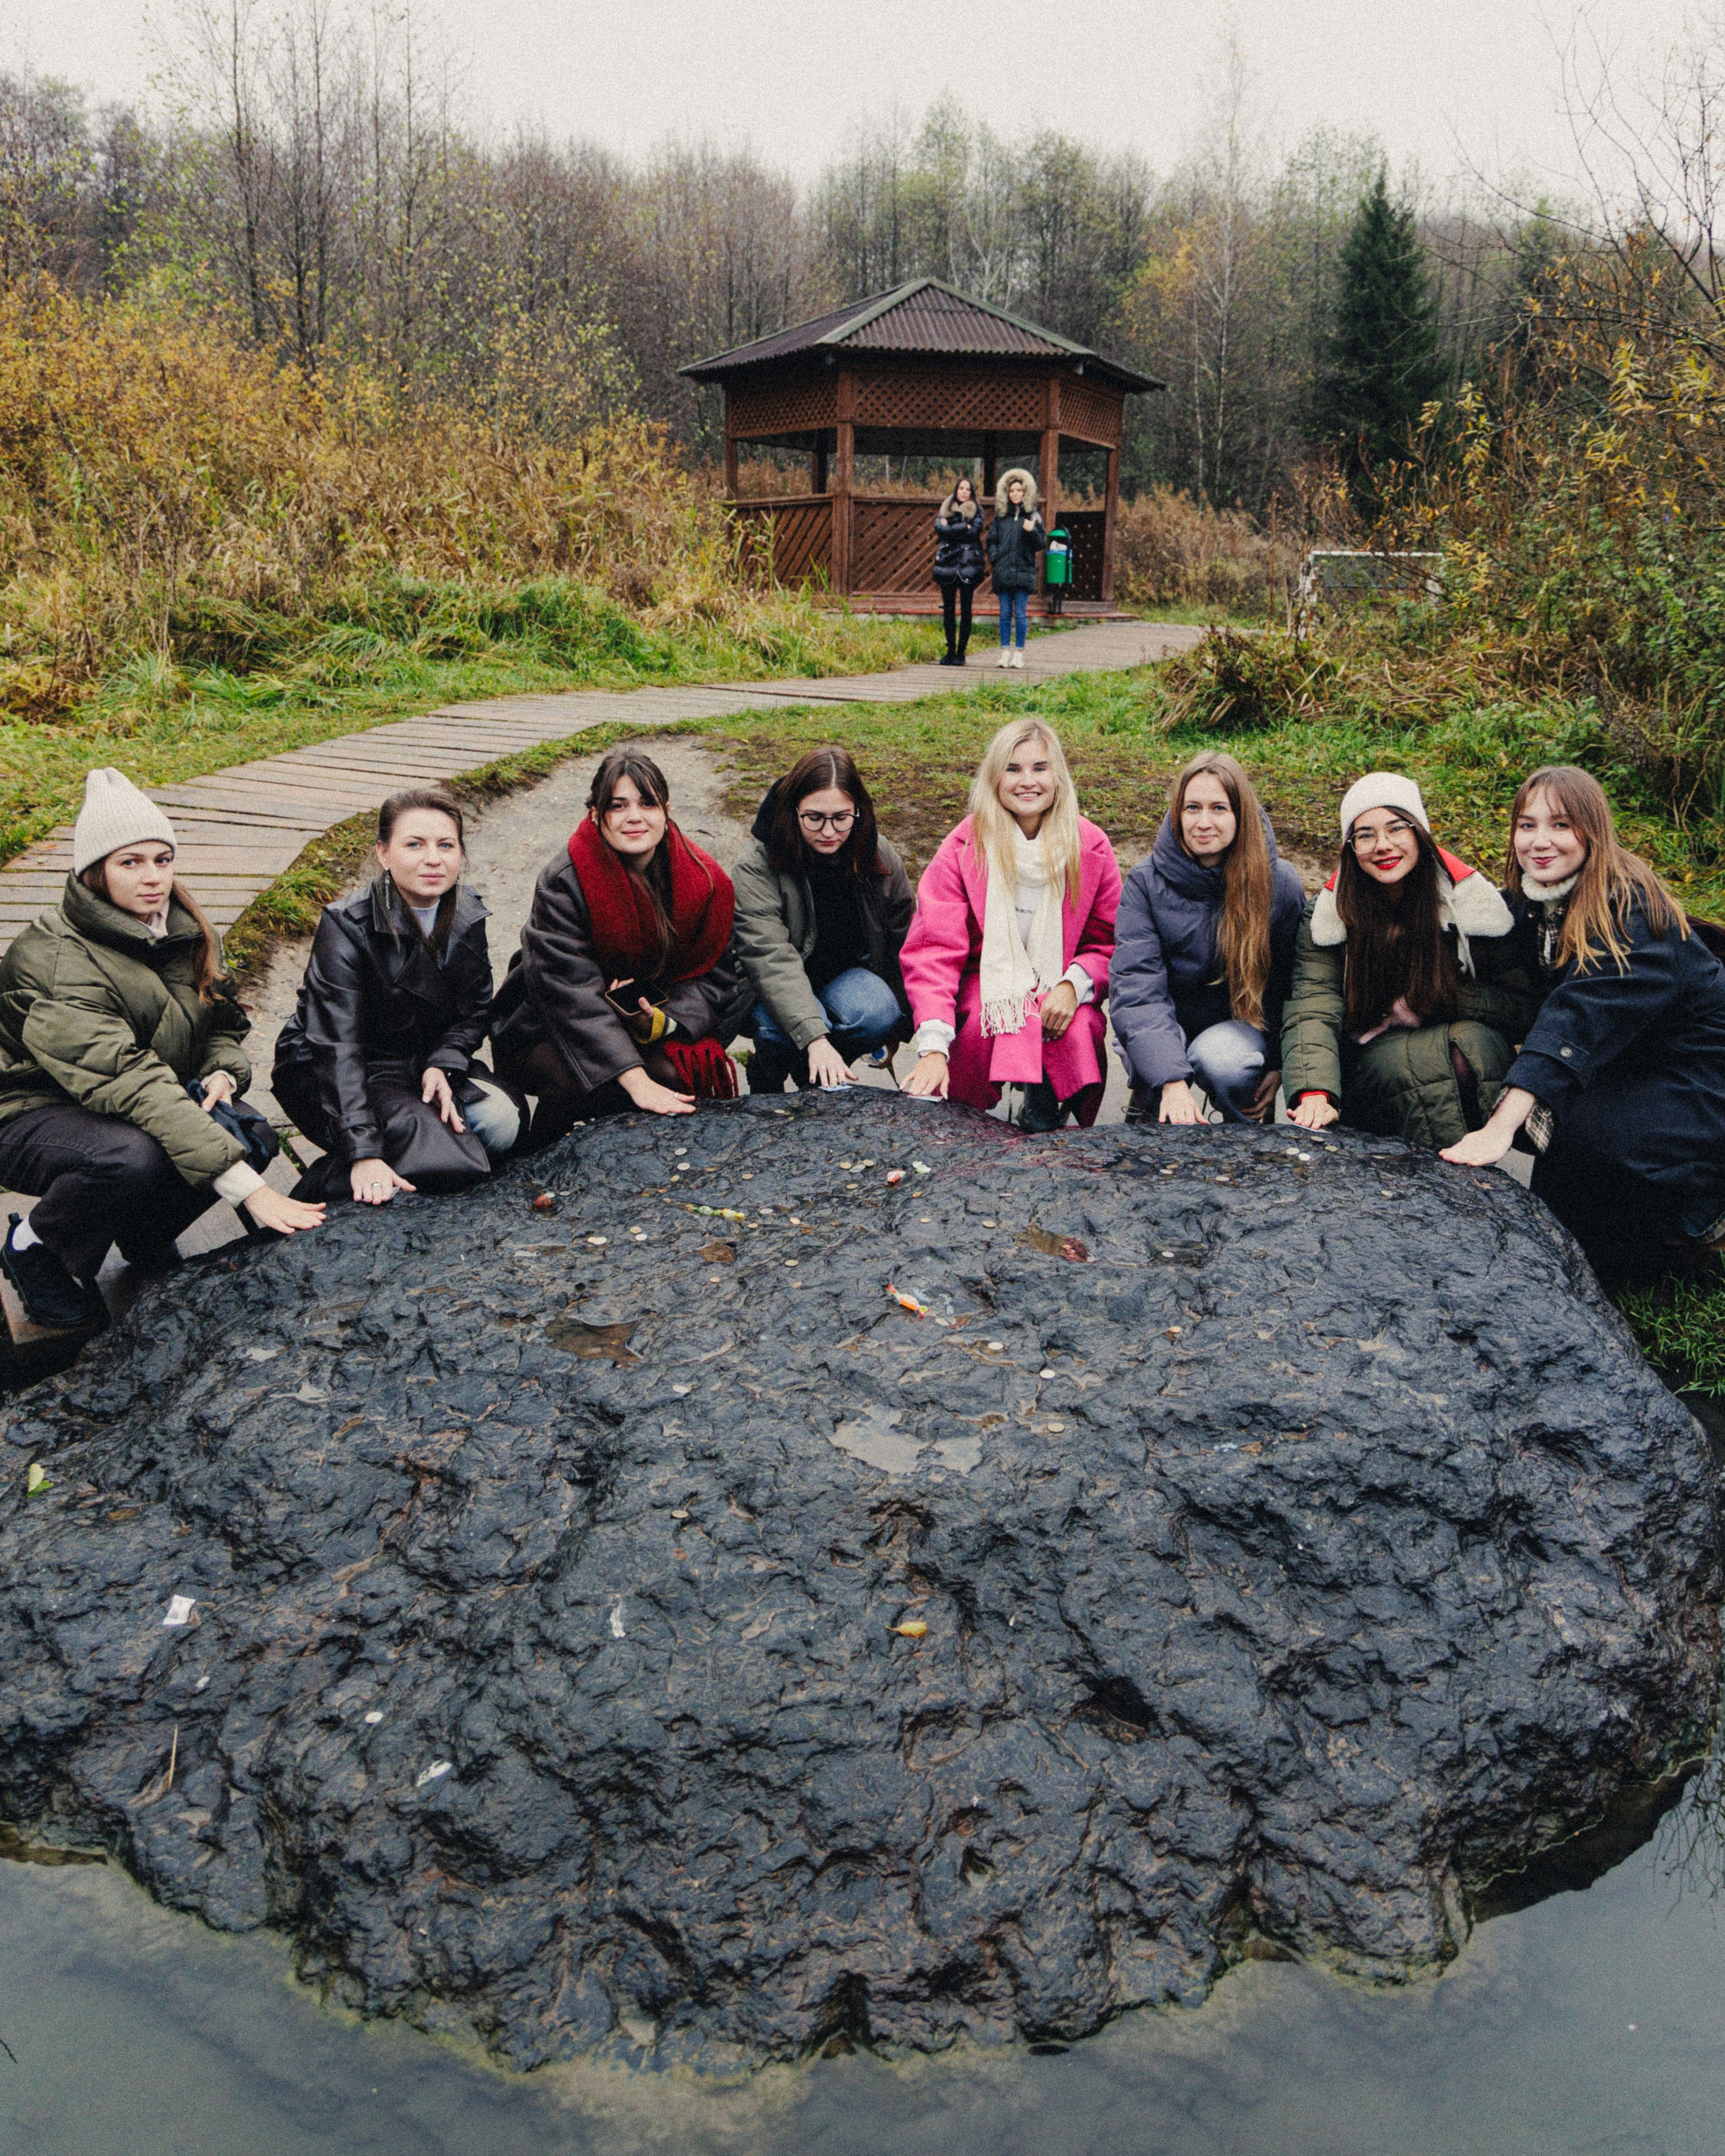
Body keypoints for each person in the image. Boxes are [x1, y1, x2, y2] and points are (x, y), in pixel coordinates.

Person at [0, 769, 324, 1328]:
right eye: (131, 862)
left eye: (162, 859)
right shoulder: (55, 961)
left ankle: (143, 1231)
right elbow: (127, 1080)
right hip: (32, 1110)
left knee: (253, 1133)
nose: (154, 878)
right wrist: (249, 1192)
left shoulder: (185, 930)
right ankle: (33, 1246)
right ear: (95, 872)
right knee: (129, 1159)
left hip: (133, 1096)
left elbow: (221, 1024)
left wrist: (223, 1073)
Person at [1440, 765, 1725, 1265]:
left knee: (1586, 1138)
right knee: (1561, 1158)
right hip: (1630, 1058)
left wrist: (1499, 1129)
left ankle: (1702, 1217)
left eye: (1561, 825)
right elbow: (1473, 940)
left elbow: (1576, 1018)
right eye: (1527, 825)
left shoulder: (1633, 913)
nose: (1540, 842)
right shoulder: (1541, 902)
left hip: (1697, 1071)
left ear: (1592, 831)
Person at [272, 789, 521, 1205]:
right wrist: (364, 1150)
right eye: (414, 845)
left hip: (420, 1061)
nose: (433, 859)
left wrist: (445, 1061)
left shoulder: (465, 910)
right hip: (337, 1071)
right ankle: (326, 1182)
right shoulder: (346, 925)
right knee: (448, 1159)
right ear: (384, 854)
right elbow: (336, 1045)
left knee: (501, 1123)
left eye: (446, 845)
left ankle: (393, 1151)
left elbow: (477, 1009)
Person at [491, 748, 741, 1143]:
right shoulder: (564, 880)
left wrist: (663, 1020)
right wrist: (634, 1079)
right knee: (603, 1084)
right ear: (596, 814)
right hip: (548, 1024)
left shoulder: (704, 879)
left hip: (649, 1018)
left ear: (666, 809)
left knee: (674, 1075)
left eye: (647, 803)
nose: (635, 817)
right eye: (618, 805)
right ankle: (541, 1148)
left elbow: (718, 975)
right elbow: (569, 993)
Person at [1282, 772, 1536, 1149]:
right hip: (1370, 1055)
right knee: (1411, 1066)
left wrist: (1439, 999)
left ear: (1419, 832)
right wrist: (1314, 1090)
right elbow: (1313, 1004)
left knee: (1467, 1049)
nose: (1383, 846)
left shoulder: (1471, 903)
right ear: (1350, 847)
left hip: (1463, 1039)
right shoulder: (1330, 914)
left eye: (1396, 828)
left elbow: (1522, 1005)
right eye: (1365, 835)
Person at [900, 718, 1119, 1130]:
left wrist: (1075, 984)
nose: (1027, 782)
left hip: (1060, 978)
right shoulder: (964, 846)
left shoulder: (1091, 846)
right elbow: (933, 948)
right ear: (994, 778)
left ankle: (1045, 1112)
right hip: (984, 979)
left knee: (1080, 1024)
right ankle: (965, 1121)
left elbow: (1110, 941)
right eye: (1012, 769)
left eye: (1040, 768)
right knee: (980, 1018)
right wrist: (932, 1047)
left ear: (1059, 777)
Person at [1111, 751, 1307, 1124]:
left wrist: (1280, 1064)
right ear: (1177, 813)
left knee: (1224, 1061)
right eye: (1192, 808)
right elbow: (1137, 987)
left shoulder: (1279, 883)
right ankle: (1151, 1116)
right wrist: (1170, 1079)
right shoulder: (1144, 882)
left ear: (1240, 815)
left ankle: (1245, 1132)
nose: (1203, 823)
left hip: (1239, 1028)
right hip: (1164, 1020)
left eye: (1219, 808)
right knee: (1148, 1053)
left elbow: (1291, 986)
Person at [732, 749, 913, 1093]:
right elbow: (769, 955)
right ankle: (768, 1070)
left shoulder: (879, 853)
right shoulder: (757, 862)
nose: (828, 831)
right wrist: (815, 1037)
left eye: (841, 817)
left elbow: (902, 940)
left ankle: (813, 1076)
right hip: (770, 982)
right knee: (779, 1033)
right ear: (793, 810)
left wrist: (899, 1026)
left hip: (843, 976)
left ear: (857, 812)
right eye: (814, 818)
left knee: (876, 1013)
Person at [985, 468, 1045, 669]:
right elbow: (991, 540)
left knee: (1020, 613)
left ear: (1025, 492)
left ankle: (1018, 653)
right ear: (1007, 493)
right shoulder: (1001, 517)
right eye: (1012, 491)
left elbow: (1040, 544)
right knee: (1004, 613)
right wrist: (995, 558)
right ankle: (1004, 652)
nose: (1016, 494)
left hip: (1024, 571)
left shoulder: (1034, 516)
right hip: (1003, 572)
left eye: (1019, 490)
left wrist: (1032, 531)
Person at [932, 475, 987, 667]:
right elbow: (939, 529)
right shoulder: (945, 508)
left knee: (966, 609)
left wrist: (953, 528)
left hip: (968, 565)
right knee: (948, 610)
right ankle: (950, 651)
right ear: (956, 490)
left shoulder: (978, 511)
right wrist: (964, 526)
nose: (964, 492)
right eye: (961, 488)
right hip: (947, 564)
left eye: (967, 489)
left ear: (972, 493)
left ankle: (961, 653)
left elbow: (973, 532)